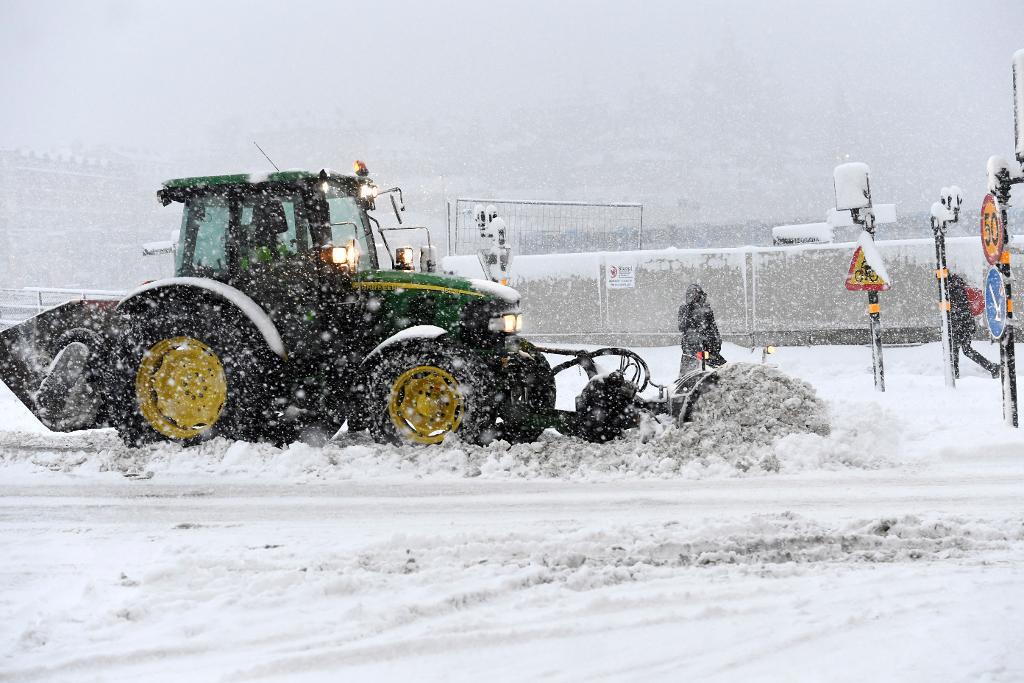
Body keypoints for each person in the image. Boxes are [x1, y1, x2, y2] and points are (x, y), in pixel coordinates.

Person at [948, 273, 999, 378]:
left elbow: (960, 310)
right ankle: (992, 367)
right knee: (962, 350)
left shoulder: (954, 291)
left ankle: (955, 375)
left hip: (960, 326)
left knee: (957, 350)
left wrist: (954, 320)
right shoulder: (960, 288)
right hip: (965, 325)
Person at [678, 283, 725, 376]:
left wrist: (716, 343)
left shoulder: (706, 309)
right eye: (690, 294)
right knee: (689, 377)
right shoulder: (684, 309)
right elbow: (682, 326)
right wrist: (689, 310)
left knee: (722, 372)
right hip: (691, 350)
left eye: (695, 294)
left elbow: (712, 327)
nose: (692, 297)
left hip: (708, 348)